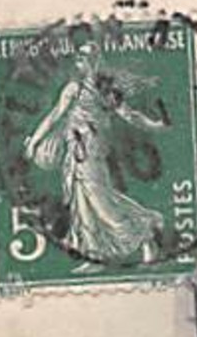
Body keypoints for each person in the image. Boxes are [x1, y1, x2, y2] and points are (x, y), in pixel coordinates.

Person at [22, 41, 167, 271]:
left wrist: (155, 125)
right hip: (74, 152)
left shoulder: (105, 91)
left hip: (91, 151)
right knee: (82, 204)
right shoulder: (73, 88)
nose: (80, 57)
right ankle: (94, 256)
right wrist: (36, 141)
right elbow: (54, 116)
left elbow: (129, 115)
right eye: (79, 54)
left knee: (102, 203)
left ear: (96, 60)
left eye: (86, 55)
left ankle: (147, 236)